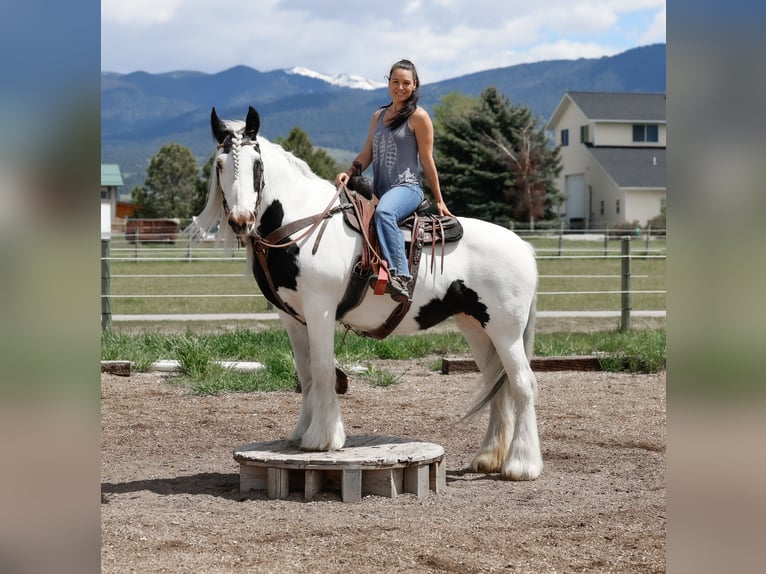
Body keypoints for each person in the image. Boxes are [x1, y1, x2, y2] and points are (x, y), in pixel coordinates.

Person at [336, 59, 453, 302]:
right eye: (396, 82)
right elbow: (366, 153)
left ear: (415, 85)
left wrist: (439, 200)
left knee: (385, 213)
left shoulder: (419, 117)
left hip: (407, 188)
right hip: (380, 189)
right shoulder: (378, 115)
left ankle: (400, 275)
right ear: (388, 83)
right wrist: (349, 172)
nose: (400, 87)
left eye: (406, 83)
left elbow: (428, 160)